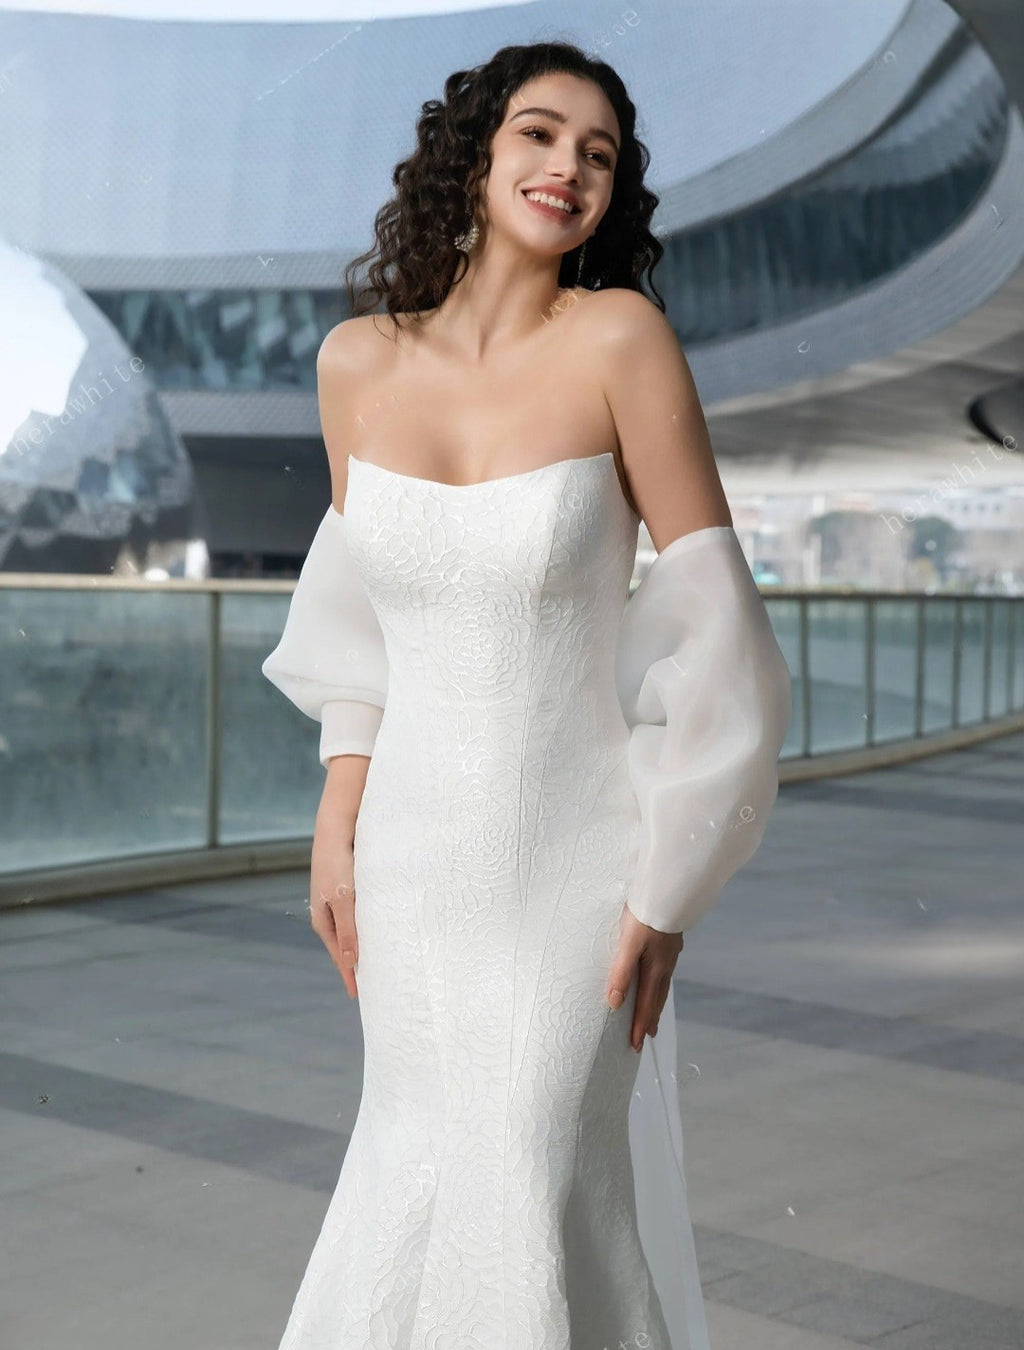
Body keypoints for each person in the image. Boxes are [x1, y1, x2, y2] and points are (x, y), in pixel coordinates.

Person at [262, 40, 792, 1350]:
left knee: (530, 1163)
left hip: (576, 864)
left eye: (599, 154)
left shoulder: (620, 339)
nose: (569, 168)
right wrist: (339, 812)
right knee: (411, 1163)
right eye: (542, 136)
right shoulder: (352, 366)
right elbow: (361, 622)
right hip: (411, 864)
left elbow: (721, 632)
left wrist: (670, 884)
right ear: (475, 154)